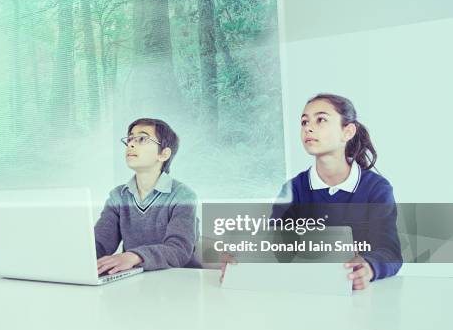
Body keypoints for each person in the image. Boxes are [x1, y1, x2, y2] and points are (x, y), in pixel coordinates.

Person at [221, 94, 402, 290]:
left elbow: (389, 251)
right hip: (303, 293)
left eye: (321, 119)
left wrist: (369, 268)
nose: (308, 127)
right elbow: (274, 248)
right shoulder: (293, 189)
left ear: (348, 132)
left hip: (357, 300)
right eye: (304, 121)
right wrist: (243, 260)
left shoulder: (376, 189)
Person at [94, 118, 201, 275]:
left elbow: (179, 250)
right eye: (130, 138)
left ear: (163, 154)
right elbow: (100, 245)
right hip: (136, 282)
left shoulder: (182, 195)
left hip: (178, 281)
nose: (131, 144)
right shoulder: (118, 196)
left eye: (142, 139)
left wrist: (134, 256)